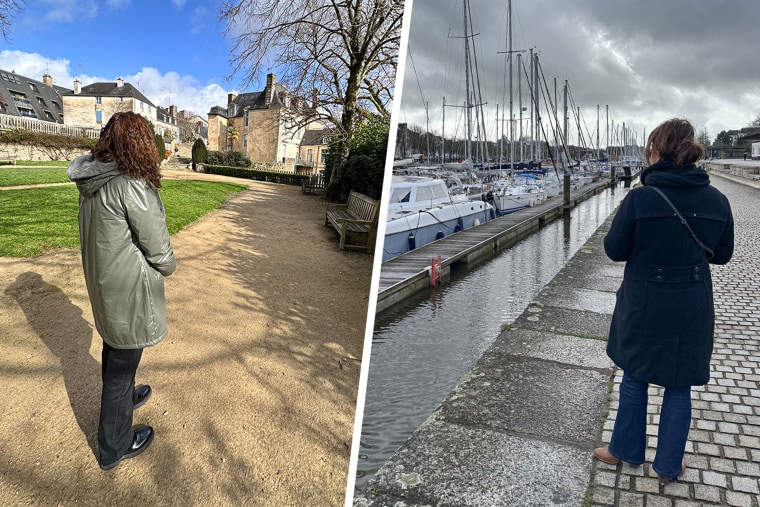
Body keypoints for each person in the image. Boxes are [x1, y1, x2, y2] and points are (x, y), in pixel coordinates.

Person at [594, 118, 734, 485]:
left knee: (635, 376)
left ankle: (624, 451)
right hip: (692, 303)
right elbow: (723, 254)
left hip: (644, 301)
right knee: (679, 384)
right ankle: (669, 466)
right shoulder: (717, 200)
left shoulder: (641, 198)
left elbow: (614, 249)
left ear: (658, 153)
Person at [68, 112, 176, 471]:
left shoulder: (93, 180)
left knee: (115, 347)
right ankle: (114, 445)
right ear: (139, 142)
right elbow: (159, 249)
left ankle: (126, 398)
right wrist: (168, 266)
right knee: (121, 365)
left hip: (107, 284)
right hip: (129, 287)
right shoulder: (130, 184)